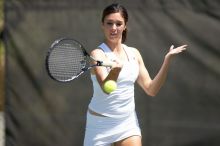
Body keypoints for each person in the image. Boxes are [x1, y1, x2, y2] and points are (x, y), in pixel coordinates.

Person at [83, 3, 187, 146]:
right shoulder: (97, 54)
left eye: (118, 24)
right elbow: (106, 88)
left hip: (127, 124)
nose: (114, 28)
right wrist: (115, 69)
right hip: (99, 125)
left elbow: (151, 89)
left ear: (125, 26)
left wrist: (167, 60)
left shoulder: (134, 54)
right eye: (109, 23)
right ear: (103, 25)